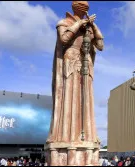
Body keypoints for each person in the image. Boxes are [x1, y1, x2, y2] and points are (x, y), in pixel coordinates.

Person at [46, 0, 104, 145]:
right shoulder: (64, 22)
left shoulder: (89, 29)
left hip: (86, 63)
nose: (84, 9)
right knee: (69, 96)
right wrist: (79, 24)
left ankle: (88, 136)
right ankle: (66, 136)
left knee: (86, 98)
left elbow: (101, 45)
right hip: (71, 62)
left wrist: (93, 26)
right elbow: (64, 39)